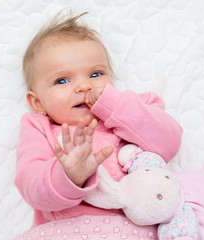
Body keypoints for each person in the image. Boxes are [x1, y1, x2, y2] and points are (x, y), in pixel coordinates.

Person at [14, 10, 183, 239]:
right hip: (68, 231)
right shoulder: (40, 128)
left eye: (95, 74)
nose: (83, 86)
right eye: (62, 80)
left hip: (135, 230)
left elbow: (169, 142)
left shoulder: (133, 108)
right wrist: (68, 176)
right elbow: (31, 185)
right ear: (37, 102)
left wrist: (115, 105)